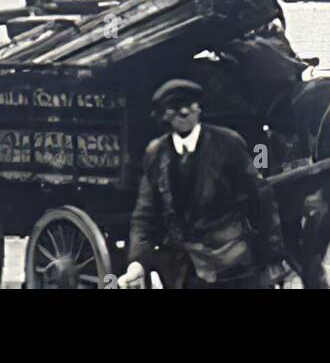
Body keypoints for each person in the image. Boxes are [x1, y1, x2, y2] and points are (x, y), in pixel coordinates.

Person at [120, 79, 284, 290]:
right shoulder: (156, 154)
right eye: (175, 107)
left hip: (233, 264)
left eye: (190, 104)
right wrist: (137, 263)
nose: (185, 111)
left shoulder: (227, 143)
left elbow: (260, 198)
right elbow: (145, 215)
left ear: (199, 109)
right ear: (164, 115)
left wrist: (271, 256)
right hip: (184, 269)